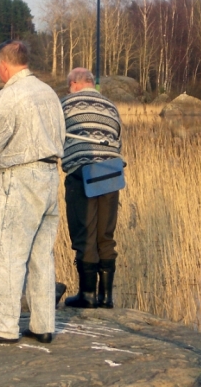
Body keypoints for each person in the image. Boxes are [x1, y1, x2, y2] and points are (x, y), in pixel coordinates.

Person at [0, 40, 65, 344]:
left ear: (4, 66)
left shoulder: (9, 96)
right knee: (40, 256)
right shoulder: (48, 93)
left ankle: (4, 328)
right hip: (50, 179)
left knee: (4, 254)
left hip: (19, 181)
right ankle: (43, 325)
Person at [61, 68, 123, 309]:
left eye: (68, 86)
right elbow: (117, 138)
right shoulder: (110, 105)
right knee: (105, 235)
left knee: (84, 232)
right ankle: (106, 297)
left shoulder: (65, 104)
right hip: (111, 171)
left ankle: (87, 295)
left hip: (82, 171)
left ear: (74, 83)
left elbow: (54, 136)